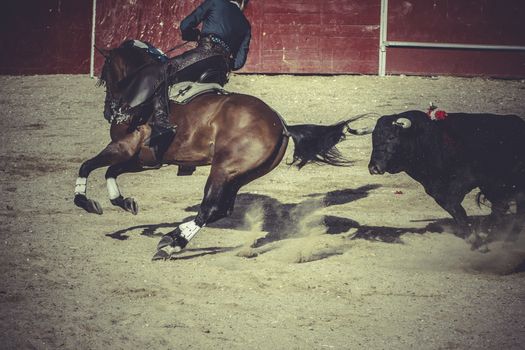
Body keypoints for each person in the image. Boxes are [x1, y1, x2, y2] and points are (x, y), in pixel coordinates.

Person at [119, 0, 252, 152]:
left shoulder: (215, 3)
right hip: (221, 71)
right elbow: (238, 63)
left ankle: (161, 124)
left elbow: (185, 25)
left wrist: (193, 35)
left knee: (160, 72)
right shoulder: (245, 24)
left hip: (202, 55)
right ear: (243, 3)